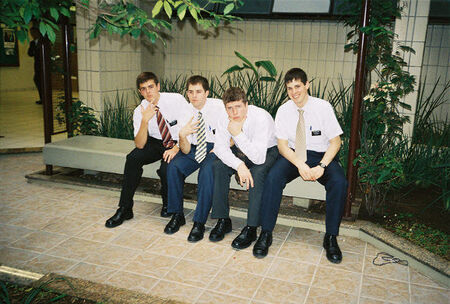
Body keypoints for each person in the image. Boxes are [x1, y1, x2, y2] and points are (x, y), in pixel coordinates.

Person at [254, 68, 348, 263]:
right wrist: (299, 164)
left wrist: (321, 166)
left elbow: (336, 142)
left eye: (298, 86)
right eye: (289, 88)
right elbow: (282, 146)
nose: (294, 92)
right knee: (272, 178)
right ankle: (266, 233)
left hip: (321, 155)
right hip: (293, 155)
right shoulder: (283, 110)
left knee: (339, 182)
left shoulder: (323, 107)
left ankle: (331, 237)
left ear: (307, 85)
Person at [105, 72, 189, 228]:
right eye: (143, 89)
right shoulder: (140, 110)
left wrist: (177, 147)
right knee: (132, 158)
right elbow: (140, 144)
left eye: (151, 87)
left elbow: (190, 124)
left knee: (167, 168)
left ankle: (168, 203)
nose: (148, 92)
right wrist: (145, 120)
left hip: (178, 141)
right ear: (140, 92)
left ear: (158, 86)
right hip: (155, 142)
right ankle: (125, 208)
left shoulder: (175, 100)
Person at [208, 87, 279, 250]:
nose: (234, 112)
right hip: (241, 151)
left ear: (246, 105)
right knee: (218, 166)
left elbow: (258, 158)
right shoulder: (223, 118)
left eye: (238, 106)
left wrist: (237, 134)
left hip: (266, 151)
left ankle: (252, 227)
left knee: (257, 172)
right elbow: (220, 148)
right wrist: (239, 165)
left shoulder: (261, 117)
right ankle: (223, 220)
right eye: (229, 108)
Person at [163, 75, 227, 242]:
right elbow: (185, 149)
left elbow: (229, 133)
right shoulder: (185, 111)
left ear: (207, 92)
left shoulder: (219, 107)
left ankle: (199, 222)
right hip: (194, 147)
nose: (194, 96)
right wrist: (182, 136)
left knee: (206, 172)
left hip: (215, 147)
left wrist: (220, 148)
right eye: (190, 92)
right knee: (173, 166)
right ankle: (177, 214)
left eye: (198, 92)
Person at [27, 27, 43, 105]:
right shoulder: (32, 43)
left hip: (44, 65)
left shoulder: (43, 42)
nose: (32, 35)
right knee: (37, 80)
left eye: (34, 33)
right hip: (37, 65)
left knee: (42, 81)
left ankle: (44, 98)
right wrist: (33, 50)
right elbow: (30, 54)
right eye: (31, 33)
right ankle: (42, 98)